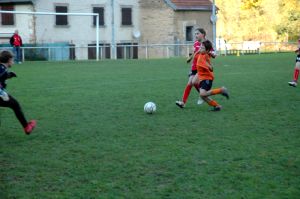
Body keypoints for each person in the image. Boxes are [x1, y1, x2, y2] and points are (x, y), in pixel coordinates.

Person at [176, 28, 216, 108]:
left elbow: (213, 53)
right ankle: (183, 103)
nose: (196, 35)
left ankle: (203, 95)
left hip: (201, 67)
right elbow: (194, 53)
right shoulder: (196, 43)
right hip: (194, 67)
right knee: (189, 83)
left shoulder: (207, 43)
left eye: (197, 33)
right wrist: (190, 57)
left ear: (203, 34)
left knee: (193, 82)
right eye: (195, 34)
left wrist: (212, 54)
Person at [0, 50, 36, 134]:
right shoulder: (1, 68)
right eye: (12, 60)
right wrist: (2, 93)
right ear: (8, 60)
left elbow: (2, 77)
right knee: (15, 105)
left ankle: (27, 127)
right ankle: (27, 127)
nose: (13, 62)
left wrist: (9, 75)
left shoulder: (2, 68)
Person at [195, 40, 229, 111]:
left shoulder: (203, 58)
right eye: (200, 47)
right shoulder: (203, 53)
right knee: (203, 96)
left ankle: (221, 90)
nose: (200, 48)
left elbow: (211, 68)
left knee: (203, 94)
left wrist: (208, 65)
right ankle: (217, 106)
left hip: (206, 79)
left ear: (206, 50)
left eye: (202, 48)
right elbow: (207, 52)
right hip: (202, 79)